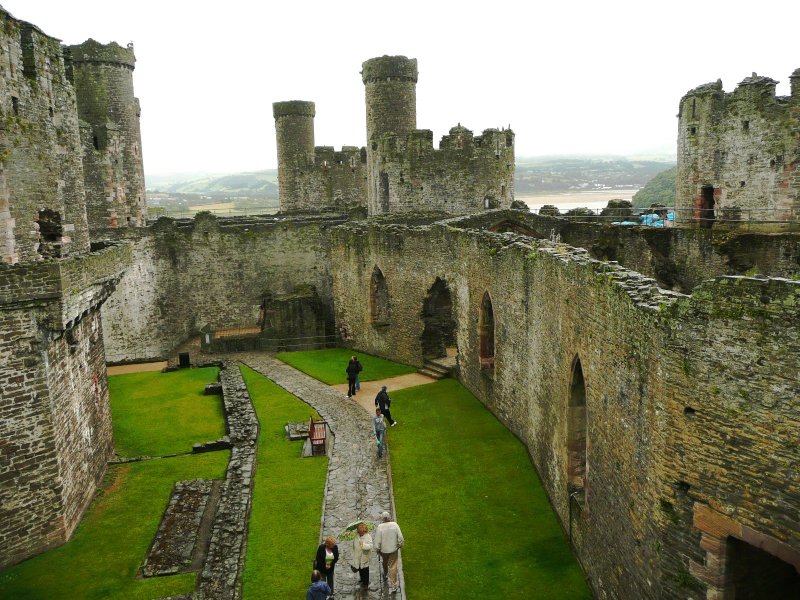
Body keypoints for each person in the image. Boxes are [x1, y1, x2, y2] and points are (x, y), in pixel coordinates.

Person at [374, 511, 404, 593]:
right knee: (393, 566)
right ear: (389, 518)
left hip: (384, 551)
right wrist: (399, 545)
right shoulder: (395, 525)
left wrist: (377, 549)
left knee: (385, 562)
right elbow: (400, 537)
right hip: (393, 550)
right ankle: (394, 585)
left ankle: (385, 573)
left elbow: (377, 541)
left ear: (382, 519)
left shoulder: (380, 527)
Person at [352, 522, 373, 587]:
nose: (360, 533)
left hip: (365, 556)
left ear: (365, 530)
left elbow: (370, 546)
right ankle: (361, 578)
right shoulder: (356, 536)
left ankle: (365, 583)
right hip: (358, 555)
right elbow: (354, 545)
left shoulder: (368, 537)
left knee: (365, 570)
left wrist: (363, 545)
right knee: (360, 568)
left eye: (362, 532)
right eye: (359, 532)